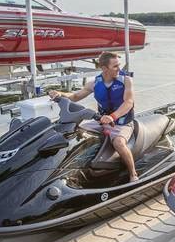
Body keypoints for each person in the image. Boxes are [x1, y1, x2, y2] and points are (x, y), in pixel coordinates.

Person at [49, 52, 138, 182]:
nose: (119, 69)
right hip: (101, 121)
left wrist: (112, 117)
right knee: (77, 131)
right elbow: (75, 97)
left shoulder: (126, 81)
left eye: (119, 65)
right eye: (115, 66)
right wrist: (59, 93)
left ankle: (133, 174)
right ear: (104, 68)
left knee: (119, 143)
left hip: (122, 123)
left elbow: (128, 102)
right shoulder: (94, 84)